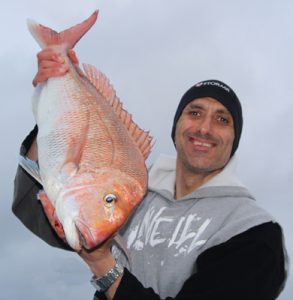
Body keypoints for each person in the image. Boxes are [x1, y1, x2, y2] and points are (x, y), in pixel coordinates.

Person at [12, 48, 288, 300]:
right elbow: (39, 211)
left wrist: (102, 264)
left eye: (222, 119)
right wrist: (55, 106)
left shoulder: (255, 231)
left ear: (234, 138)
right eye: (194, 112)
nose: (205, 128)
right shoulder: (132, 192)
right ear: (177, 125)